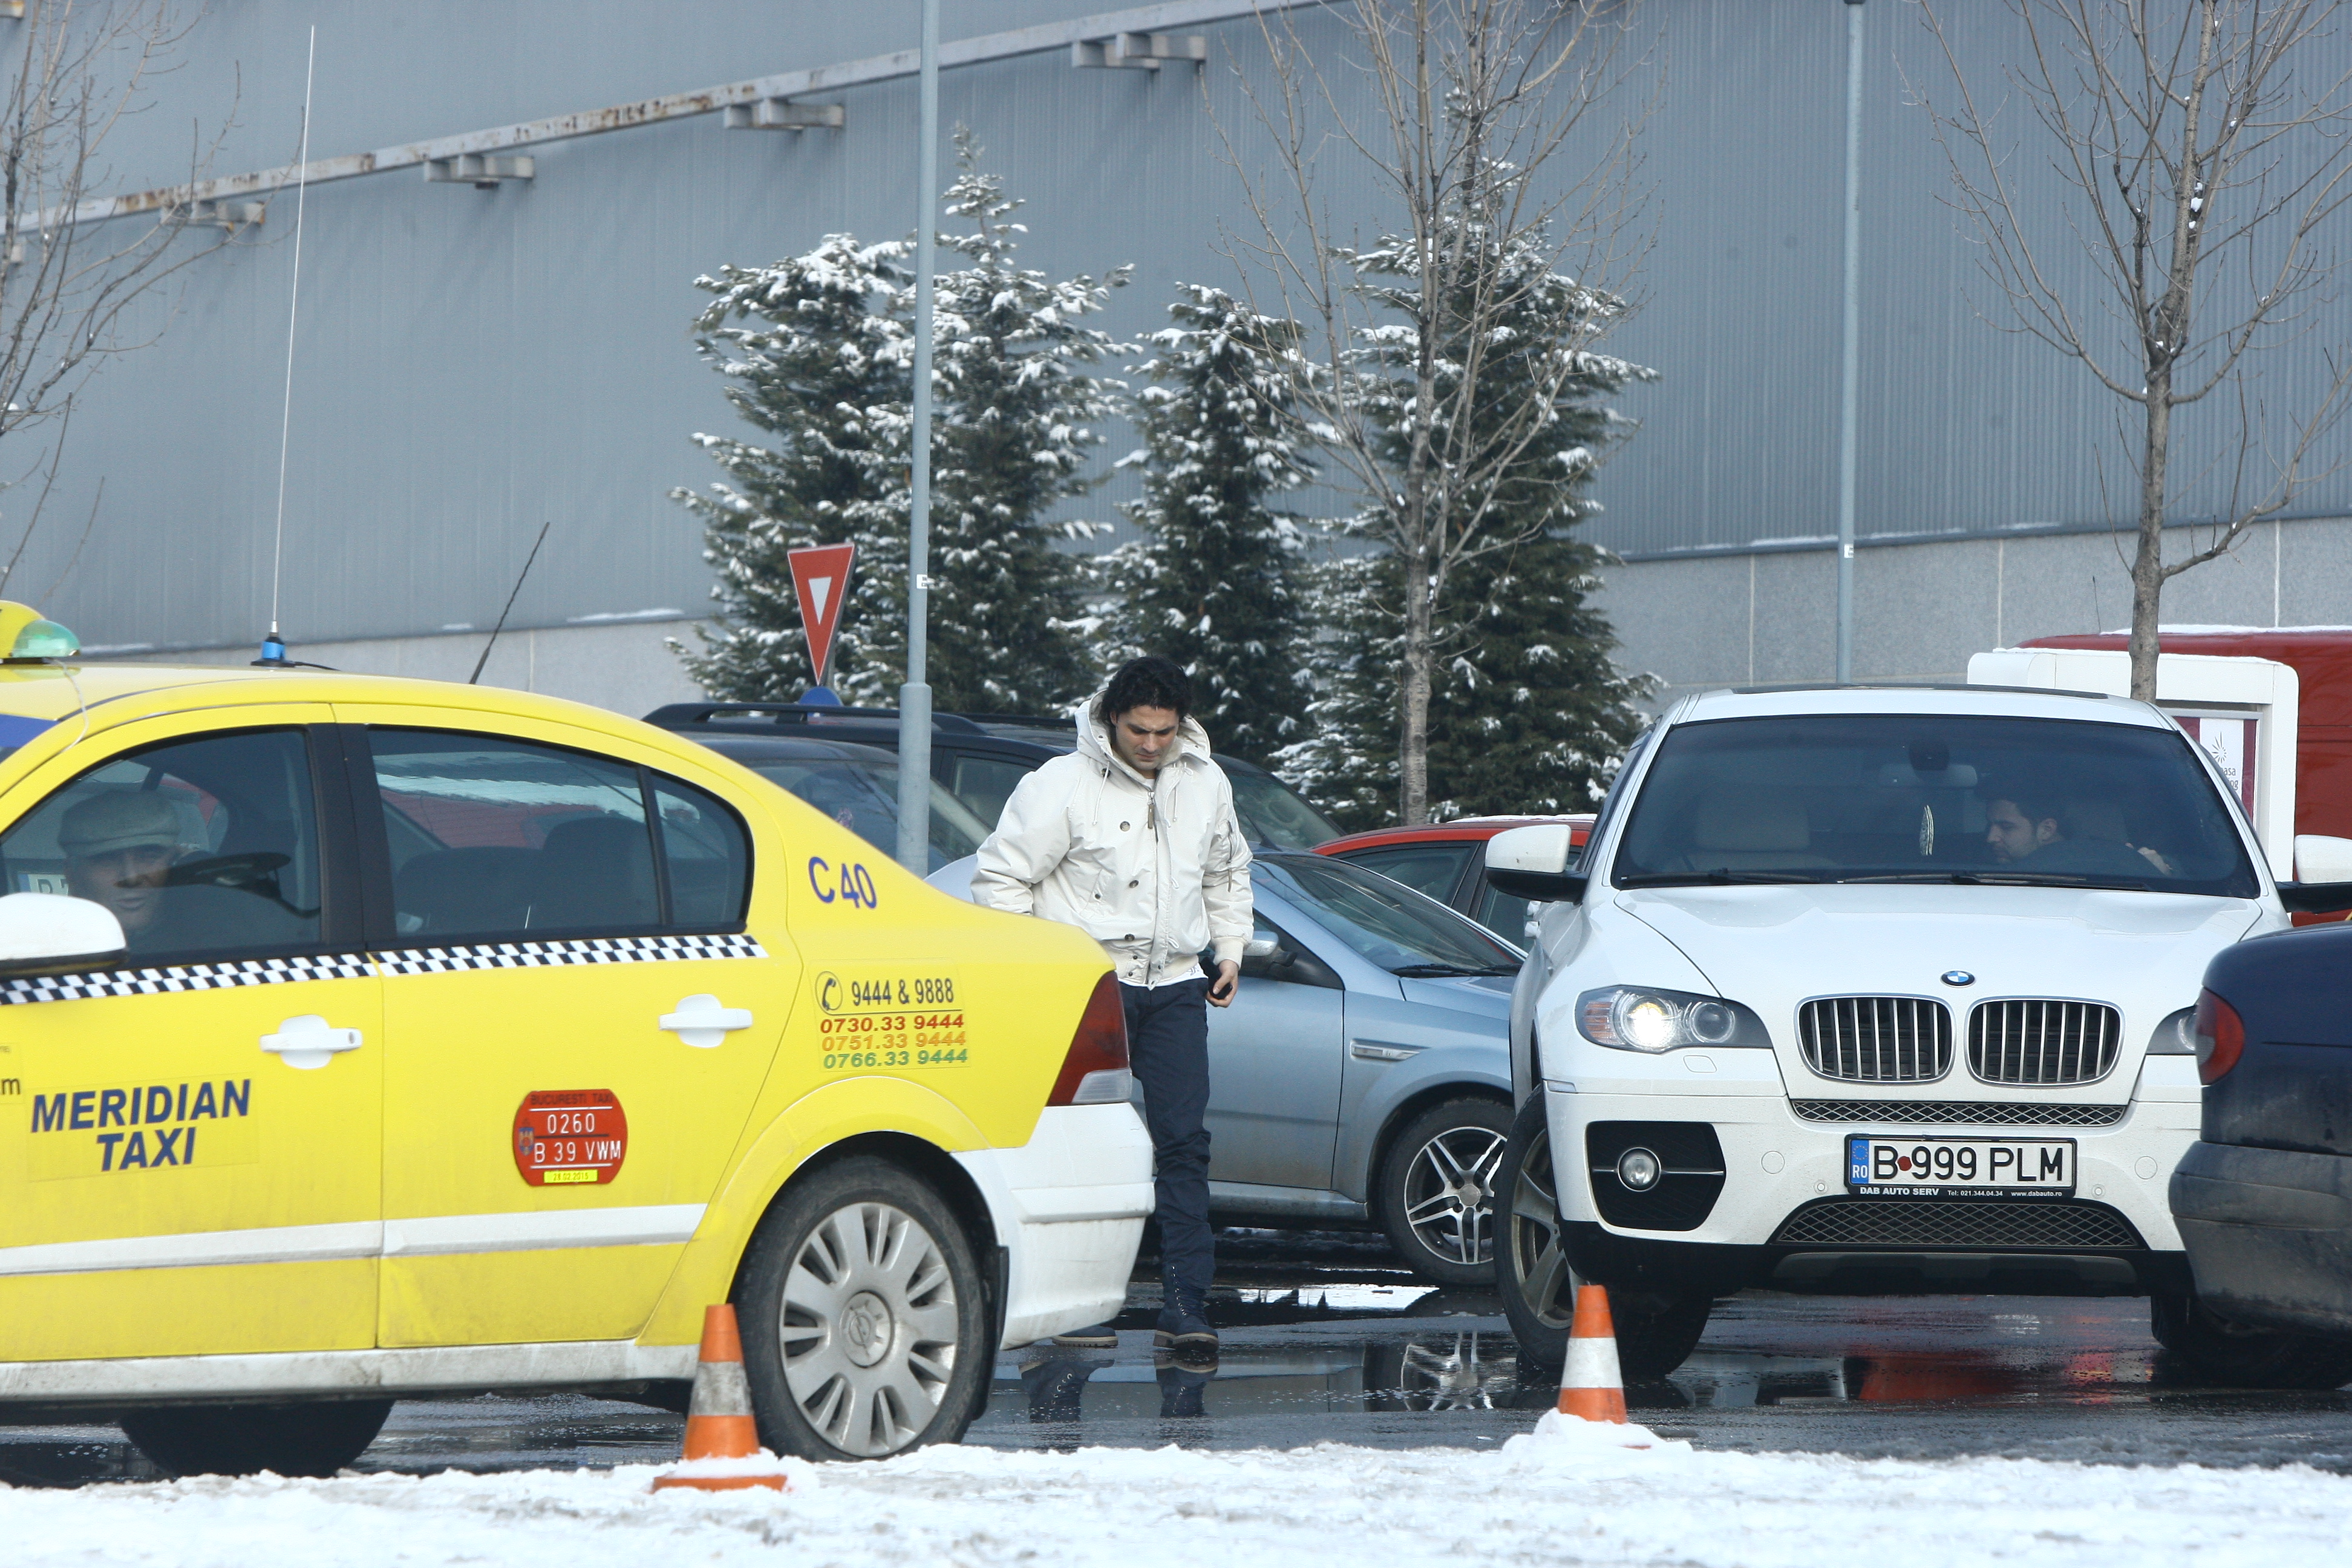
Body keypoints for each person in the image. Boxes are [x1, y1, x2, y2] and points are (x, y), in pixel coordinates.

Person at [971, 656, 1252, 1361]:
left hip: (1178, 987)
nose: (1151, 745)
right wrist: (1045, 971)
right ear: (1110, 720)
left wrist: (1231, 951)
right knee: (1076, 1144)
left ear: (1180, 725)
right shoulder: (1061, 784)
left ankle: (1186, 1306)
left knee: (1184, 1143)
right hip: (1087, 986)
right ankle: (1068, 1308)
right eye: (1137, 730)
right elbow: (1000, 877)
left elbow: (1227, 871)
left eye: (1163, 732)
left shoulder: (1207, 782)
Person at [60, 791, 186, 947]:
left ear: (175, 861)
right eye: (107, 860)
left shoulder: (211, 943)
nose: (131, 878)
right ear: (71, 875)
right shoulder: (51, 951)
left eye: (149, 857)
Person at [1983, 783, 2162, 877]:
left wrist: (2160, 872)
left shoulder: (2111, 869)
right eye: (1989, 826)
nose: (1991, 838)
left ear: (2047, 829)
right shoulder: (1966, 869)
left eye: (2006, 827)